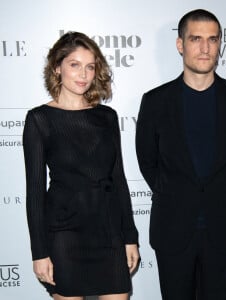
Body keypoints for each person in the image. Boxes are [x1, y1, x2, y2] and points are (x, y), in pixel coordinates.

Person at [136, 9, 226, 300]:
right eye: (195, 39)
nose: (205, 48)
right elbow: (147, 161)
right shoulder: (155, 102)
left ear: (219, 44)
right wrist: (176, 192)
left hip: (222, 228)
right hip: (172, 229)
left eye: (212, 39)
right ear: (180, 45)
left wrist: (219, 189)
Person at [23, 31, 139, 300]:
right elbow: (35, 193)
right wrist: (39, 253)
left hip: (109, 232)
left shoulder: (107, 117)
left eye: (90, 66)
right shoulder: (40, 120)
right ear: (57, 67)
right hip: (65, 235)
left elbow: (118, 179)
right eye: (74, 64)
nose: (83, 74)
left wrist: (129, 237)